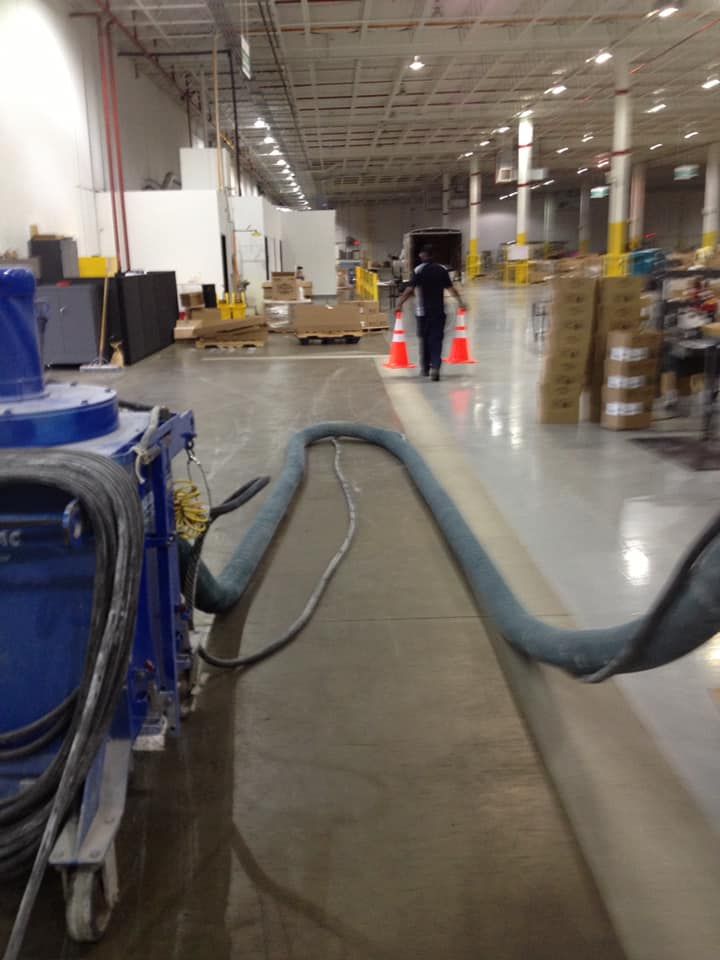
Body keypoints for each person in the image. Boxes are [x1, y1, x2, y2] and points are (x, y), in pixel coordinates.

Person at [396, 245, 465, 381]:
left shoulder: (419, 270)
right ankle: (436, 366)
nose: (420, 255)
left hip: (423, 313)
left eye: (421, 253)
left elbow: (410, 289)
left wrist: (399, 304)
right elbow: (451, 289)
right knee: (436, 339)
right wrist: (460, 302)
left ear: (424, 255)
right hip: (439, 311)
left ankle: (425, 368)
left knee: (424, 340)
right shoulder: (442, 270)